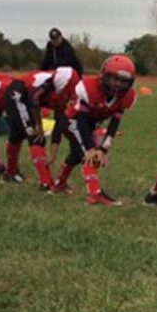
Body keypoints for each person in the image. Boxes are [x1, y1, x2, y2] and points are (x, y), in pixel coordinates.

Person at [50, 55, 137, 205]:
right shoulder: (90, 88)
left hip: (89, 124)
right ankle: (94, 194)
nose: (118, 84)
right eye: (114, 78)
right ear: (104, 75)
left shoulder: (126, 97)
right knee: (89, 156)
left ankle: (58, 184)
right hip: (73, 121)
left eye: (124, 81)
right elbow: (81, 120)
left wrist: (103, 148)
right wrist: (91, 148)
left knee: (77, 155)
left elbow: (114, 123)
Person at [0, 67, 79, 188]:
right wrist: (39, 127)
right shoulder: (48, 84)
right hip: (18, 93)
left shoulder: (67, 92)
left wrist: (53, 154)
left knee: (17, 134)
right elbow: (34, 100)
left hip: (24, 97)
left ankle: (10, 173)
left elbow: (59, 123)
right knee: (35, 135)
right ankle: (45, 181)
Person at [41, 29, 84, 161]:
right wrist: (41, 74)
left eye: (57, 39)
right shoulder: (50, 47)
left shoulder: (67, 49)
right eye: (53, 40)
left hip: (70, 84)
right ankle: (54, 153)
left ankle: (79, 146)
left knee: (62, 119)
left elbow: (66, 65)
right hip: (57, 83)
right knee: (59, 118)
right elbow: (46, 62)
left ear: (61, 37)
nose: (56, 42)